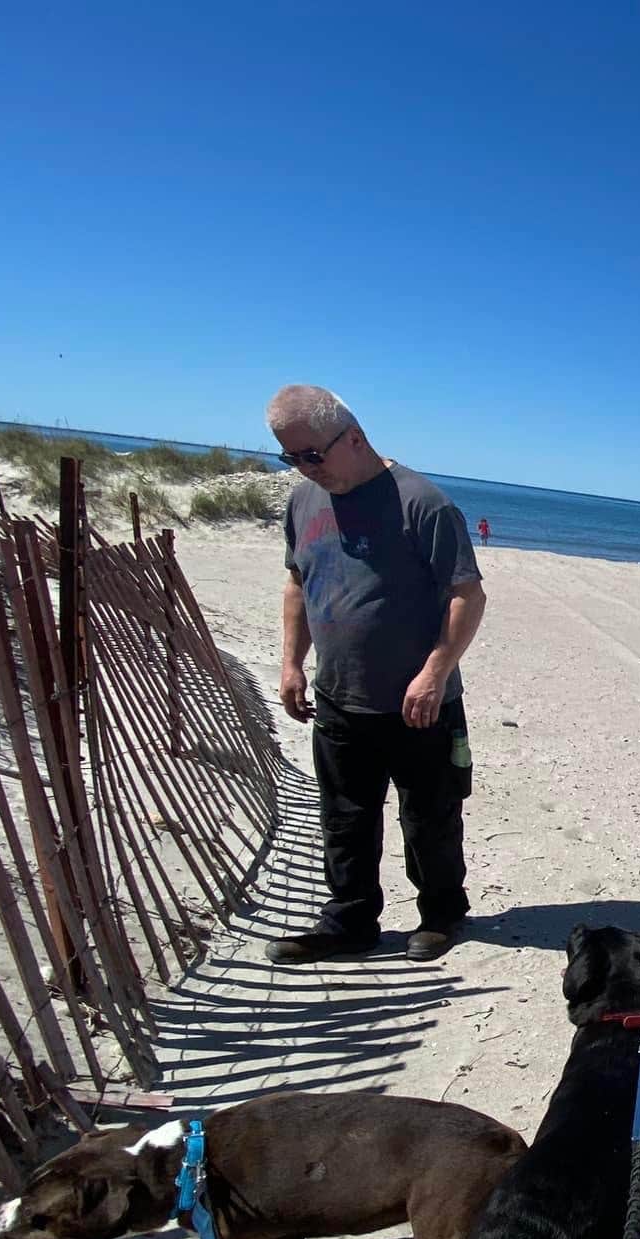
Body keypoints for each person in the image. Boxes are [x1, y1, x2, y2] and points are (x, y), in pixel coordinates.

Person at [266, 385, 487, 965]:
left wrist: (436, 671)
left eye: (314, 455)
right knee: (344, 818)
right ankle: (350, 922)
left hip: (422, 704)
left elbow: (468, 593)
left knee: (429, 819)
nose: (306, 470)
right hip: (340, 699)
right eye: (291, 458)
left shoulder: (423, 503)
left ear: (354, 437)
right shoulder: (303, 503)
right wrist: (292, 661)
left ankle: (441, 914)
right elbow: (298, 583)